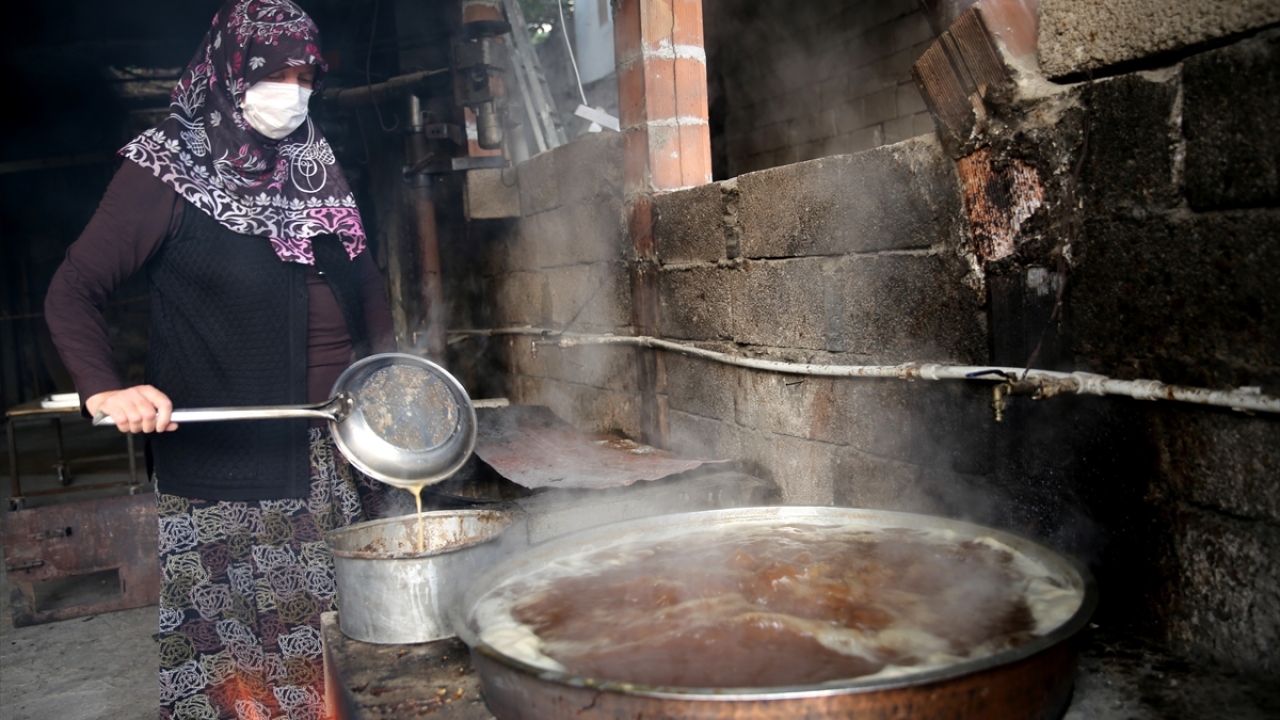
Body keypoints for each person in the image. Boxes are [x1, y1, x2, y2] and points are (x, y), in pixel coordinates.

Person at [44, 1, 396, 717]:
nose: (293, 90)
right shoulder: (164, 170)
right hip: (227, 475)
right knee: (240, 679)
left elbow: (367, 286)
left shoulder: (314, 164)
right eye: (276, 73)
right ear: (231, 69)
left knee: (340, 664)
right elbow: (73, 290)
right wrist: (104, 390)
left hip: (336, 453)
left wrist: (396, 386)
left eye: (306, 74)